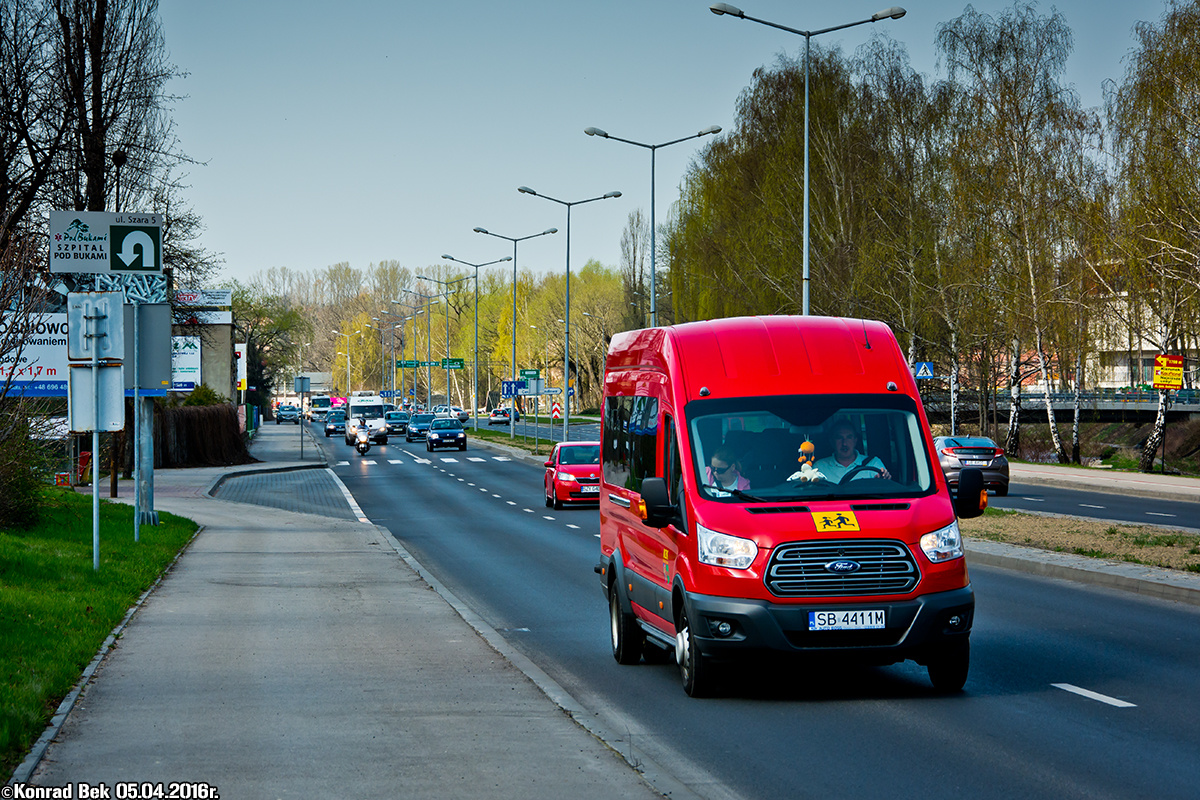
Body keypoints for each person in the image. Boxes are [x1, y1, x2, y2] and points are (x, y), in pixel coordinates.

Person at [814, 420, 891, 483]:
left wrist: (884, 478)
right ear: (832, 441)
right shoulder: (820, 467)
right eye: (839, 438)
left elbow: (885, 491)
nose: (844, 443)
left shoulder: (873, 463)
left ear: (855, 440)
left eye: (849, 437)